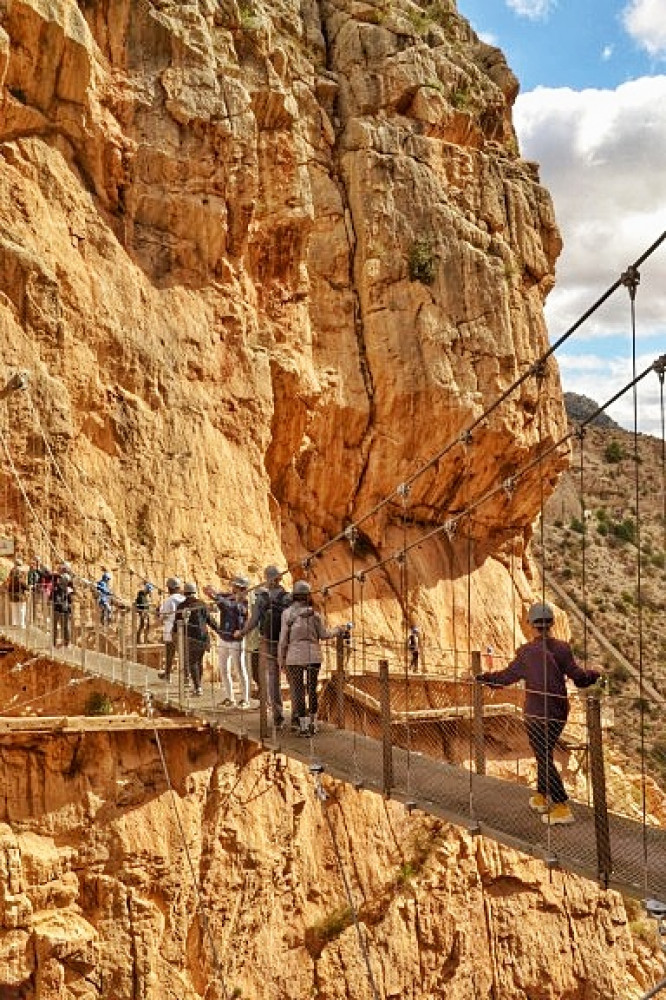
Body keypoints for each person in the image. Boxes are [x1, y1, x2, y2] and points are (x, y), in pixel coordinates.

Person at [475, 601, 601, 826]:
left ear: (531, 625)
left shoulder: (525, 653)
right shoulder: (562, 648)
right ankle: (543, 797)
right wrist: (594, 674)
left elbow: (504, 679)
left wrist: (482, 678)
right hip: (558, 712)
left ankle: (561, 807)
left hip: (535, 714)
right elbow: (580, 679)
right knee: (544, 752)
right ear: (552, 623)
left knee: (542, 755)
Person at [278, 580, 345, 736]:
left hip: (294, 657)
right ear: (307, 597)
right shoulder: (315, 615)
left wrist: (280, 660)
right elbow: (324, 635)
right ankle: (313, 724)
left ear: (294, 596)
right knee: (312, 689)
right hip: (313, 655)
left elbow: (283, 640)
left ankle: (303, 726)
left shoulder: (287, 614)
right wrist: (338, 630)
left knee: (298, 691)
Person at [236, 565, 291, 729]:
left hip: (269, 643)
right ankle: (298, 719)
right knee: (293, 680)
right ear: (280, 578)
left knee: (273, 680)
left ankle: (278, 718)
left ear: (267, 578)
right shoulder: (288, 598)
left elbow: (253, 622)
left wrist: (241, 632)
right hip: (287, 643)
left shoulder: (262, 598)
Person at [207, 577, 250, 708]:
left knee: (240, 669)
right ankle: (229, 697)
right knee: (223, 669)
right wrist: (213, 593)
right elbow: (221, 598)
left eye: (236, 587)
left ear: (242, 589)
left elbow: (231, 607)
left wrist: (215, 596)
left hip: (235, 640)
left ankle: (245, 699)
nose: (233, 588)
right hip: (224, 637)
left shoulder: (244, 603)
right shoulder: (229, 597)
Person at [174, 582, 222, 696]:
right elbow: (210, 620)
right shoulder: (202, 604)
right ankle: (198, 685)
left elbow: (176, 624)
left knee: (192, 662)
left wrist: (173, 635)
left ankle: (197, 687)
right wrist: (220, 631)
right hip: (204, 638)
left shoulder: (182, 606)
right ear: (194, 592)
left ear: (185, 593)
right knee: (199, 661)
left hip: (191, 638)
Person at [157, 577, 184, 682]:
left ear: (169, 588)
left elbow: (162, 616)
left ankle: (167, 675)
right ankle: (186, 677)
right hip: (183, 629)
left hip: (170, 629)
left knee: (170, 652)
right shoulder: (184, 599)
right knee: (183, 654)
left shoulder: (169, 600)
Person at [52, 572, 74, 646]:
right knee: (63, 626)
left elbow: (52, 597)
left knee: (63, 627)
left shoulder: (59, 588)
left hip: (60, 609)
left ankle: (65, 642)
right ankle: (62, 643)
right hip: (62, 609)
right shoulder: (58, 588)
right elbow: (70, 600)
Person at [5, 560, 27, 628]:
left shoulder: (11, 578)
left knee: (14, 610)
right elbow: (24, 585)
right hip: (20, 596)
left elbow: (8, 587)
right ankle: (21, 624)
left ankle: (15, 623)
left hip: (13, 596)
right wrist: (27, 587)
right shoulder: (20, 576)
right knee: (21, 610)